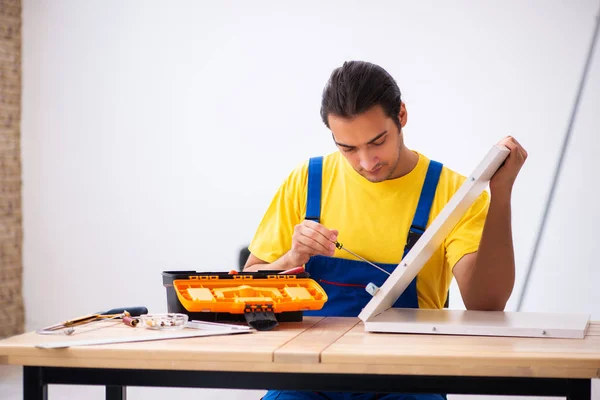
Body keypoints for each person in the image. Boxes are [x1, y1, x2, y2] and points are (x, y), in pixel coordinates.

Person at [244, 61, 527, 400]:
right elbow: (249, 287)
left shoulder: (451, 194)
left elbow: (487, 304)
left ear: (402, 116)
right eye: (347, 148)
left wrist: (502, 195)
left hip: (408, 380)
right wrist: (291, 258)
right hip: (308, 379)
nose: (366, 161)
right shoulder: (308, 180)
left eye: (377, 141)